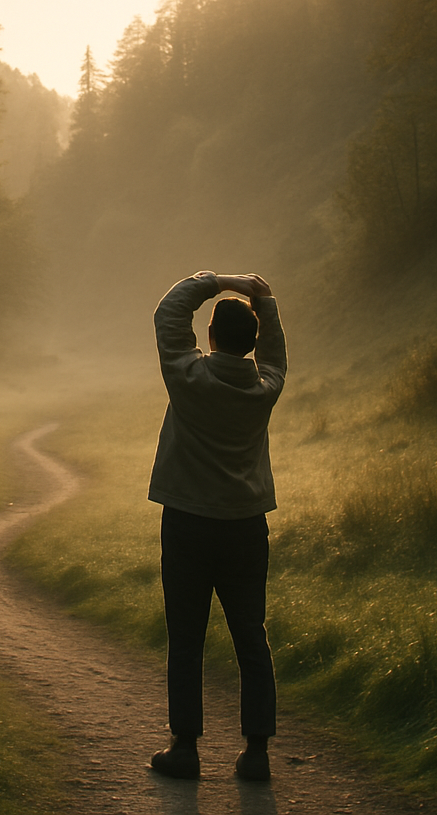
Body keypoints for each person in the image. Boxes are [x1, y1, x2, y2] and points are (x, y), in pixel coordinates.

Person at [146, 270, 287, 782]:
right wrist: (264, 299)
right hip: (245, 526)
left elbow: (168, 313)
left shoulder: (188, 377)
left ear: (210, 338)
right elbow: (275, 356)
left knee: (186, 636)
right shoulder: (265, 386)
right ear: (252, 342)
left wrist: (218, 280)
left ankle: (185, 747)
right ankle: (257, 753)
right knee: (251, 634)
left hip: (186, 522)